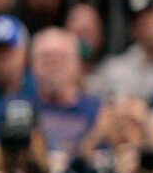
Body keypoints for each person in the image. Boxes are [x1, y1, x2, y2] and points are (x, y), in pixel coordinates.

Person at [90, 0, 153, 101]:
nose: (144, 21)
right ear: (131, 29)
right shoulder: (119, 69)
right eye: (136, 18)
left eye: (150, 13)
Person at [28, 27, 102, 163]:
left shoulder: (98, 111)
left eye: (61, 58)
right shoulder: (19, 109)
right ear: (32, 65)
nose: (53, 65)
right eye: (45, 58)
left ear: (78, 64)